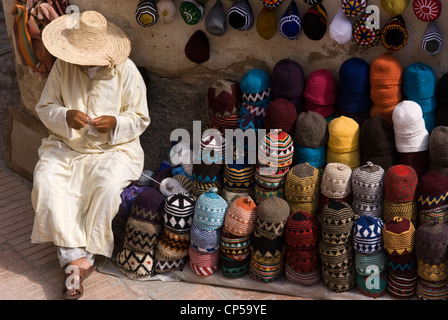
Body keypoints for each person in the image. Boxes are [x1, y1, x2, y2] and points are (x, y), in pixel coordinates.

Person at [30, 10, 151, 300]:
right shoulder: (62, 68)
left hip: (114, 150)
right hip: (67, 146)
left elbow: (140, 118)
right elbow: (45, 107)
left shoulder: (127, 71)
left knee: (106, 187)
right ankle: (76, 259)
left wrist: (116, 124)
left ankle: (79, 260)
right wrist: (65, 115)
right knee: (47, 181)